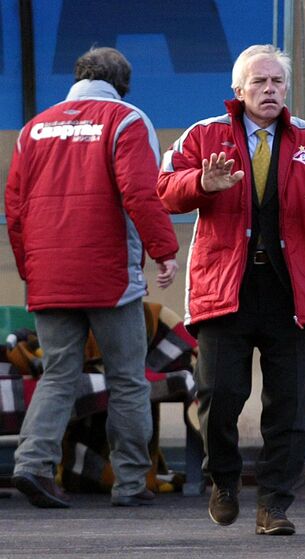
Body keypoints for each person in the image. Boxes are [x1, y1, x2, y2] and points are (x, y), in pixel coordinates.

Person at [156, 44, 305, 535]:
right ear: (238, 91)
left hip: (292, 291)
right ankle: (224, 482)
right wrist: (200, 185)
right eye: (259, 82)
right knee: (220, 395)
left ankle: (275, 503)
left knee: (290, 407)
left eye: (277, 82)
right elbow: (165, 189)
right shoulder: (206, 134)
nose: (270, 90)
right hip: (225, 287)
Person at [5, 47, 180, 508]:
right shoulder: (126, 120)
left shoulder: (33, 129)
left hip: (49, 276)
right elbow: (141, 194)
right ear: (123, 85)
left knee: (58, 375)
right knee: (127, 379)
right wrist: (164, 250)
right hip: (109, 278)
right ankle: (129, 483)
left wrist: (31, 270)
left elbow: (15, 209)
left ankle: (31, 466)